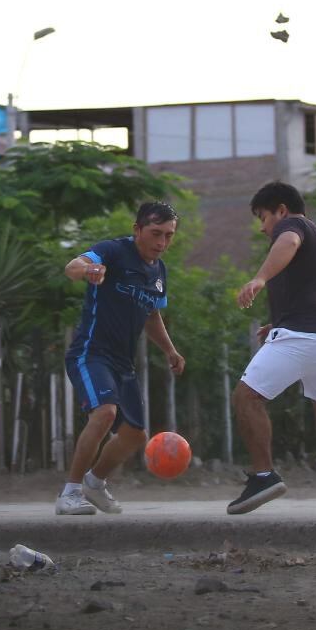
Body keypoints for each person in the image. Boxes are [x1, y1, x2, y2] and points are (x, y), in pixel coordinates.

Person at [230, 181, 316, 515]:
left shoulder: (293, 227)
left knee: (246, 397)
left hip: (303, 335)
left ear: (281, 210)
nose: (262, 227)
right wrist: (286, 322)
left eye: (262, 217)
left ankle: (263, 475)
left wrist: (259, 279)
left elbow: (289, 240)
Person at [56, 202, 185, 516]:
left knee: (134, 435)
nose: (162, 243)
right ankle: (69, 494)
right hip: (91, 353)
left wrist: (170, 350)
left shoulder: (159, 271)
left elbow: (152, 314)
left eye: (168, 236)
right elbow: (72, 267)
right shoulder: (112, 252)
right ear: (137, 229)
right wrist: (88, 270)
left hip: (122, 362)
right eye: (156, 233)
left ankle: (95, 483)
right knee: (104, 414)